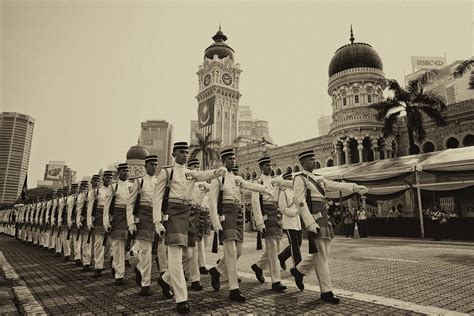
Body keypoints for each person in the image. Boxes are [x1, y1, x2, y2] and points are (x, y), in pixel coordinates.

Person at [153, 142, 226, 313]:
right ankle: (181, 299)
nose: (185, 155)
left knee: (189, 253)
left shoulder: (189, 173)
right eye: (181, 152)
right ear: (173, 154)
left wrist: (217, 171)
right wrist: (157, 222)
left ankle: (165, 279)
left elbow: (202, 174)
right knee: (176, 258)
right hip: (173, 215)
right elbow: (157, 199)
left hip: (188, 215)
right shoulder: (166, 171)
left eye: (187, 152)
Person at [290, 150, 368, 304]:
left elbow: (336, 185)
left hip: (324, 218)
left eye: (314, 159)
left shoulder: (320, 178)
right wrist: (310, 222)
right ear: (303, 163)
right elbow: (300, 201)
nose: (314, 162)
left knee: (323, 254)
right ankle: (326, 291)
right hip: (314, 219)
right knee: (321, 257)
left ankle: (298, 270)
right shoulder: (300, 178)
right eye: (311, 160)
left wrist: (355, 187)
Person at [208, 149, 272, 303]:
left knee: (238, 252)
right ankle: (234, 289)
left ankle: (216, 271)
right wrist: (216, 223)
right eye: (230, 159)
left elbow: (250, 185)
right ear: (224, 161)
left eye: (234, 159)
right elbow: (212, 202)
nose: (233, 161)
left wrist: (266, 189)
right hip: (226, 216)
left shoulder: (237, 178)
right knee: (230, 253)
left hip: (237, 216)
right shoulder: (218, 178)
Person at [250, 156, 288, 293]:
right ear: (261, 167)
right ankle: (276, 280)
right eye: (266, 165)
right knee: (272, 249)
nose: (269, 167)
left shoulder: (274, 181)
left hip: (276, 214)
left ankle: (259, 266)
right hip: (266, 215)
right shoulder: (257, 181)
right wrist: (259, 222)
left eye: (270, 165)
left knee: (277, 247)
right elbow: (255, 202)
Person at [127, 155, 159, 297]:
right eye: (151, 164)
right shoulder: (139, 182)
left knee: (154, 254)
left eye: (156, 164)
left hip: (157, 220)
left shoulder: (159, 182)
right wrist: (131, 222)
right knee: (146, 253)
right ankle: (146, 285)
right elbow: (130, 204)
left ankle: (139, 268)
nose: (154, 167)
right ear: (145, 166)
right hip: (144, 220)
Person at [104, 163, 132, 285]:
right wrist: (106, 222)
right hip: (117, 217)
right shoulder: (113, 187)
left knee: (128, 246)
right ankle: (119, 275)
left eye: (127, 171)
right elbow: (107, 206)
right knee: (117, 246)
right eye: (123, 171)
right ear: (118, 173)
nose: (126, 173)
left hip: (130, 217)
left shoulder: (132, 186)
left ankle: (116, 265)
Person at [87, 171, 113, 277]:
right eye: (107, 177)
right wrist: (89, 221)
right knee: (98, 243)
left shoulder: (114, 189)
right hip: (98, 217)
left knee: (110, 244)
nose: (109, 180)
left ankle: (111, 263)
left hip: (111, 218)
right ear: (103, 179)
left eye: (111, 178)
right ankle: (98, 266)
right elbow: (90, 207)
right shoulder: (96, 192)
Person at [277, 172, 303, 271]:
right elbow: (283, 209)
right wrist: (295, 212)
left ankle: (282, 257)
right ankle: (298, 266)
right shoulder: (283, 192)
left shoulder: (295, 191)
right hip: (289, 222)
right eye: (289, 179)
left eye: (291, 179)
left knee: (298, 243)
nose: (291, 181)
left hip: (297, 222)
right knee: (295, 245)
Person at [76, 179, 94, 272]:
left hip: (96, 220)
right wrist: (78, 221)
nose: (85, 188)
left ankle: (92, 261)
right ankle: (86, 263)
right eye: (83, 186)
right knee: (86, 243)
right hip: (86, 222)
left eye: (86, 186)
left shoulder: (93, 193)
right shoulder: (82, 196)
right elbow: (79, 209)